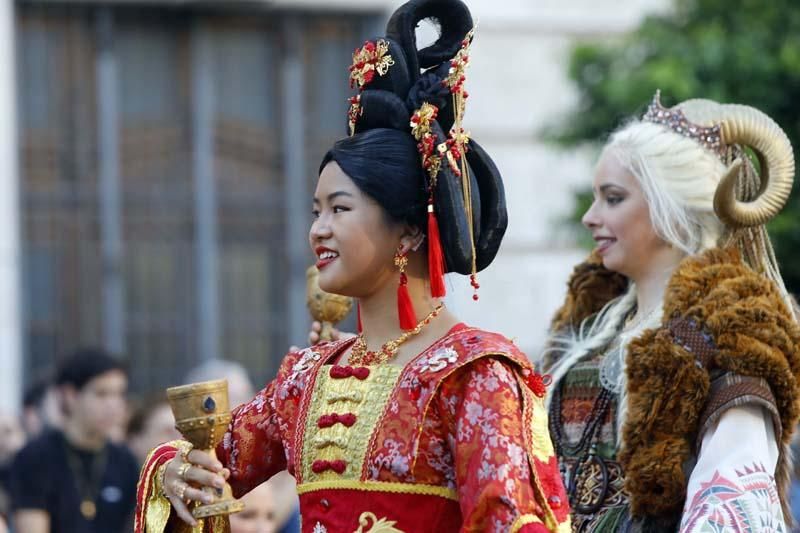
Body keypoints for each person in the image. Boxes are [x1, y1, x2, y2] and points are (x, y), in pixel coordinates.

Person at [133, 0, 570, 531]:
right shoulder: (306, 376)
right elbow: (207, 463)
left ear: (408, 229)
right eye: (316, 211)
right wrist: (180, 477)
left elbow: (511, 521)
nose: (318, 228)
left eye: (340, 209)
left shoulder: (473, 374)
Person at [543, 92, 800, 531]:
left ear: (671, 207)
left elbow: (732, 510)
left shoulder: (727, 345)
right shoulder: (585, 335)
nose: (590, 217)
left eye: (613, 198)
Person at [8, 347, 140, 533]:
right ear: (70, 395)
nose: (113, 405)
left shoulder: (125, 460)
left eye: (119, 394)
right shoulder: (35, 457)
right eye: (101, 393)